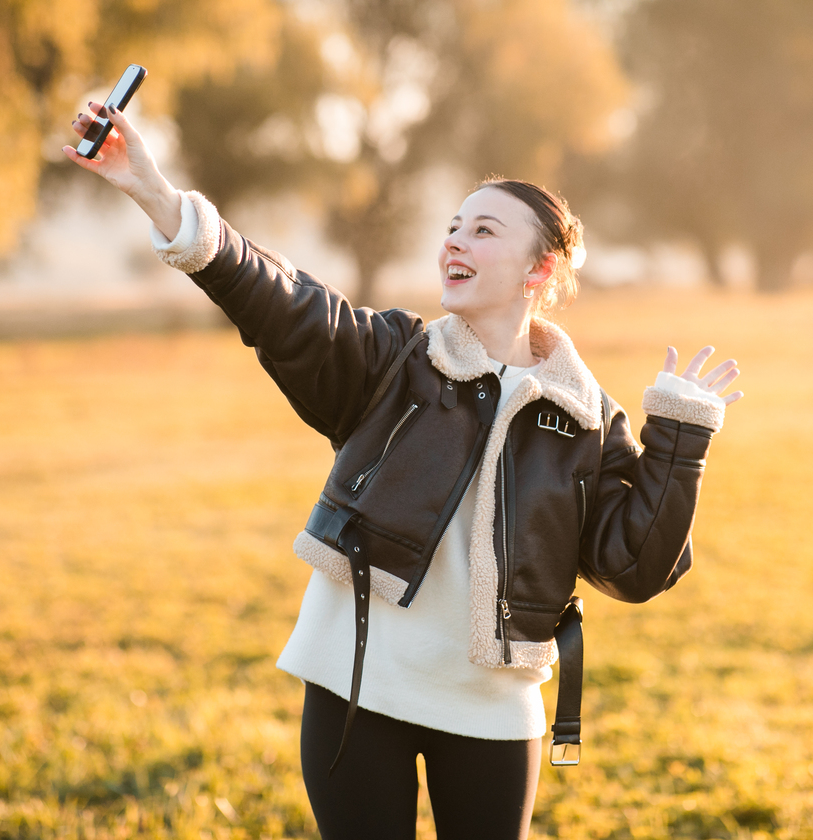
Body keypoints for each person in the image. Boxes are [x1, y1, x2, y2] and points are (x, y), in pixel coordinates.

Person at [65, 100, 742, 840]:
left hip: (491, 709)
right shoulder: (391, 359)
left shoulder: (586, 419)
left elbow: (634, 567)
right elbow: (280, 301)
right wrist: (156, 193)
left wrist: (680, 442)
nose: (455, 239)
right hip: (357, 688)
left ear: (539, 268)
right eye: (453, 225)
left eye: (484, 229)